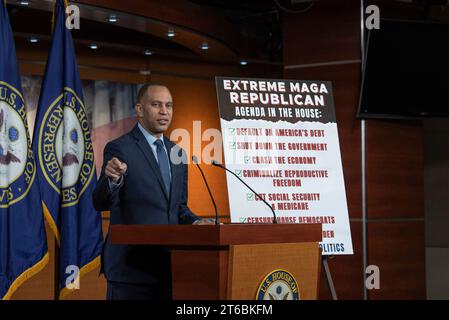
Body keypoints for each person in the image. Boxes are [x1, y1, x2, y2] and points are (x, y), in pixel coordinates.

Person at [93, 84, 212, 300]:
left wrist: (196, 223)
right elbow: (100, 201)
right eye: (156, 105)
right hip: (131, 271)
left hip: (170, 270)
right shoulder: (120, 147)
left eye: (168, 105)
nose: (164, 111)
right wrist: (113, 180)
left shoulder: (178, 154)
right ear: (139, 109)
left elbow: (179, 208)